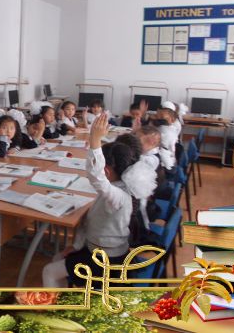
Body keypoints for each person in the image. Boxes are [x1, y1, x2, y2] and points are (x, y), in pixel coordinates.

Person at [42, 115, 155, 287]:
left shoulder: (119, 195)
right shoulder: (122, 187)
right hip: (97, 249)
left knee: (49, 271)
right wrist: (78, 246)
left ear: (107, 171)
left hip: (107, 261)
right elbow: (90, 223)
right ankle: (65, 297)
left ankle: (59, 304)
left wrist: (95, 140)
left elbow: (96, 177)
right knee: (58, 258)